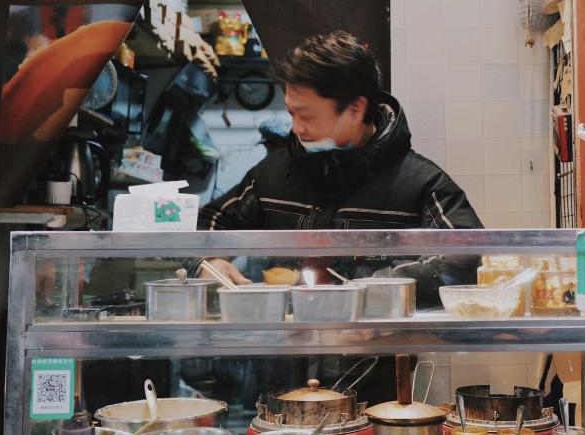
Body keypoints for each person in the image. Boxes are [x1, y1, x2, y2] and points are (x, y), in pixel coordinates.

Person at [199, 30, 483, 305]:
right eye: (291, 113)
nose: (295, 128)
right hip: (286, 347)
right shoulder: (273, 172)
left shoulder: (421, 182)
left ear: (355, 110)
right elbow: (210, 220)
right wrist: (212, 260)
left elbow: (465, 256)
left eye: (306, 115)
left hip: (376, 349)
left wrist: (368, 290)